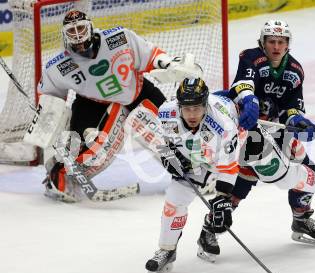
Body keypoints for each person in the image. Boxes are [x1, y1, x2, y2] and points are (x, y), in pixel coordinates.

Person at [196, 20, 315, 260]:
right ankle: (209, 230)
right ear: (263, 42)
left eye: (281, 42)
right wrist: (249, 100)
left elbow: (292, 106)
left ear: (288, 44)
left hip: (274, 127)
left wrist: (296, 120)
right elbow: (244, 83)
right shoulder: (251, 58)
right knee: (241, 183)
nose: (276, 46)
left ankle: (301, 219)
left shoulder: (295, 71)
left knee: (306, 168)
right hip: (246, 126)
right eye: (271, 41)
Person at [33, 10, 200, 202]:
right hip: (93, 104)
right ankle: (61, 173)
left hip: (137, 92)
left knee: (172, 131)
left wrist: (169, 64)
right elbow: (48, 96)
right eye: (72, 31)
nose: (77, 35)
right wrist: (48, 115)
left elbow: (150, 55)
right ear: (65, 35)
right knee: (96, 147)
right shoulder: (59, 66)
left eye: (80, 28)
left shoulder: (119, 38)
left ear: (90, 27)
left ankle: (195, 171)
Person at [144, 78, 242, 273]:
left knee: (224, 207)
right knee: (173, 202)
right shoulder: (165, 112)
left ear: (205, 105)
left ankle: (208, 232)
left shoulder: (223, 125)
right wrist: (168, 156)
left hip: (224, 153)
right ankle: (167, 250)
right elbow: (161, 142)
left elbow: (229, 166)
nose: (192, 114)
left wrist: (223, 197)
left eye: (197, 108)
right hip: (194, 158)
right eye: (186, 108)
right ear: (179, 105)